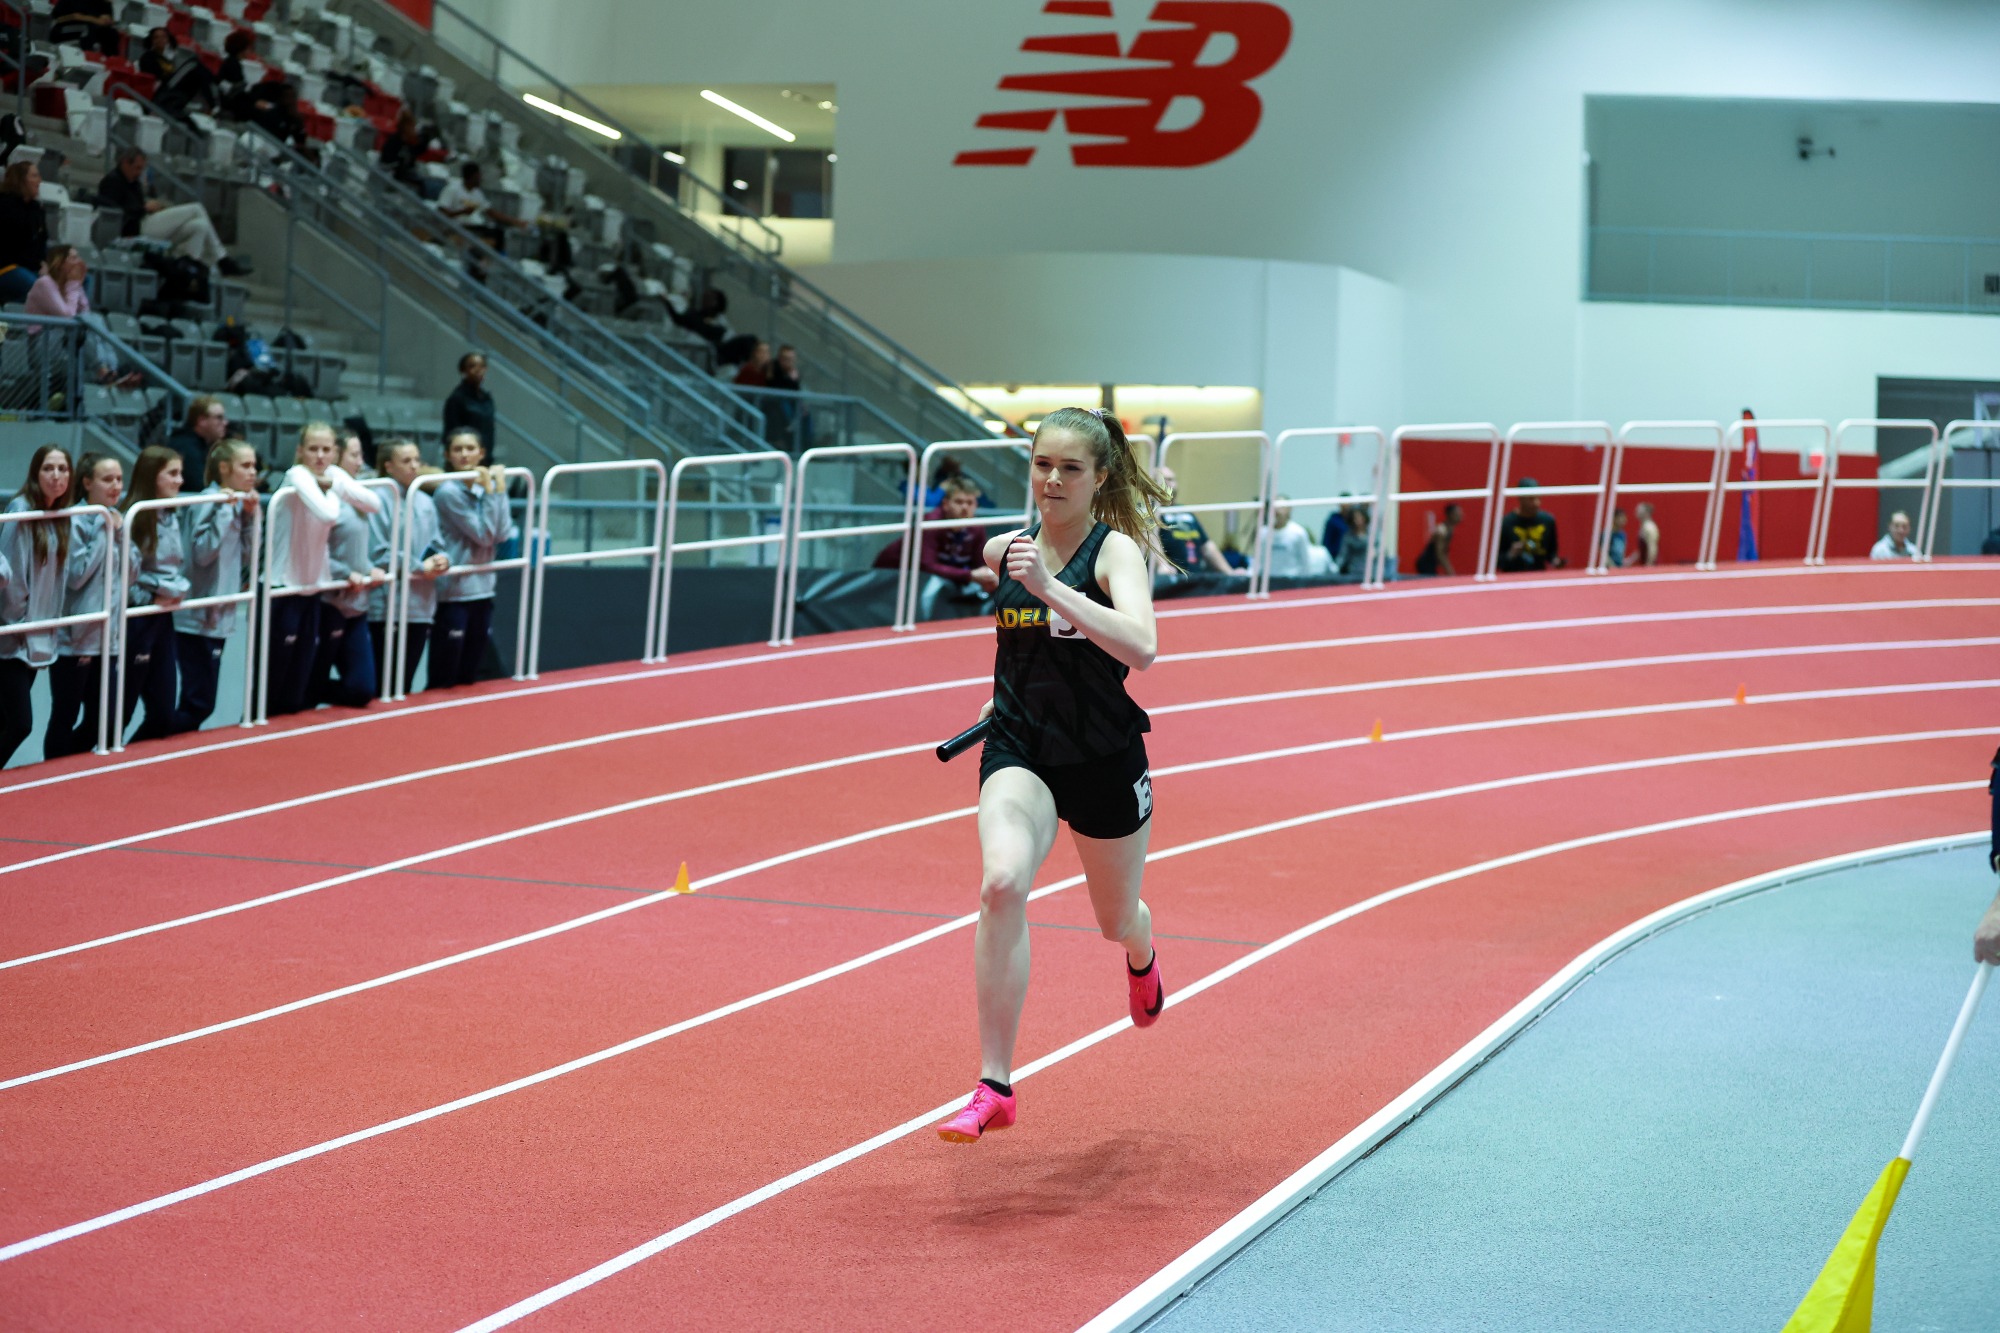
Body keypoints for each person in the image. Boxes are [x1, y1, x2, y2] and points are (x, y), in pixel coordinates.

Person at [935, 406, 1172, 1143]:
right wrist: (1009, 691)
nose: (1054, 480)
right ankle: (994, 1083)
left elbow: (1142, 646)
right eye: (1043, 465)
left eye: (1071, 468)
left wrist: (1050, 588)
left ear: (1099, 477)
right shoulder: (1006, 548)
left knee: (1115, 919)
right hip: (1021, 748)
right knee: (1001, 883)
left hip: (1103, 758)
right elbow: (1025, 646)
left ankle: (1141, 951)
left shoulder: (1114, 552)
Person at [267, 423, 382, 715]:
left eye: (326, 449)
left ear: (334, 452)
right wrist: (334, 489)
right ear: (300, 450)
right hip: (282, 587)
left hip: (312, 589)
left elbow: (374, 503)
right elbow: (328, 513)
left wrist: (335, 483)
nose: (320, 456)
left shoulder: (332, 475)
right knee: (273, 682)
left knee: (298, 684)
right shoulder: (297, 475)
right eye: (313, 449)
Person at [173, 440, 260, 730]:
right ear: (224, 468)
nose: (253, 472)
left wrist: (248, 516)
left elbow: (247, 555)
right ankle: (152, 746)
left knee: (201, 702)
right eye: (245, 466)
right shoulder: (209, 501)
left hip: (220, 614)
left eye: (254, 466)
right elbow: (202, 554)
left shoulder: (236, 503)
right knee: (198, 702)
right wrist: (224, 511)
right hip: (196, 617)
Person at [44, 452, 121, 758]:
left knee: (103, 720)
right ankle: (53, 774)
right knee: (65, 714)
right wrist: (104, 529)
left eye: (119, 479)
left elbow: (128, 574)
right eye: (107, 479)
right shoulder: (75, 519)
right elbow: (76, 576)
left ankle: (72, 770)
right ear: (87, 483)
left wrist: (119, 531)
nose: (116, 486)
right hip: (74, 639)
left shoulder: (115, 518)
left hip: (109, 636)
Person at [0, 446, 72, 766]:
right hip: (13, 636)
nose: (56, 476)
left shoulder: (60, 516)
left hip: (36, 636)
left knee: (5, 720)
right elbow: (11, 575)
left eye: (62, 469)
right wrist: (18, 625)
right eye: (48, 468)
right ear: (35, 473)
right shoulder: (21, 509)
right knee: (20, 724)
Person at [430, 429, 516, 689]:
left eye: (470, 448)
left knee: (470, 674)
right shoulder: (448, 492)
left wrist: (497, 491)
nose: (464, 454)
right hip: (455, 593)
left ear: (482, 453)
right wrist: (493, 492)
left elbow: (503, 533)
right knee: (445, 675)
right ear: (447, 455)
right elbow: (484, 535)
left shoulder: (484, 488)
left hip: (484, 589)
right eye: (458, 449)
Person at [119, 446, 192, 741]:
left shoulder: (171, 514)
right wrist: (150, 599)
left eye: (180, 473)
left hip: (163, 618)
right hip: (137, 621)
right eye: (172, 473)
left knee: (163, 714)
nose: (180, 481)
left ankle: (132, 759)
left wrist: (175, 591)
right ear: (152, 476)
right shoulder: (134, 517)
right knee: (118, 715)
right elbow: (122, 577)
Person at [367, 439, 449, 694]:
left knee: (404, 685)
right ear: (388, 466)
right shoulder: (376, 499)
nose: (414, 466)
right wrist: (418, 566)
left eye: (417, 460)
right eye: (406, 461)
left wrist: (442, 559)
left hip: (420, 606)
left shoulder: (425, 501)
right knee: (381, 686)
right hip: (387, 607)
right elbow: (378, 552)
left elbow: (437, 543)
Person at [309, 454, 387, 708]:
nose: (360, 461)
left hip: (357, 605)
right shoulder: (320, 499)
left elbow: (357, 549)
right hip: (328, 602)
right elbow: (313, 551)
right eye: (354, 455)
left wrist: (370, 569)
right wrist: (343, 572)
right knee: (307, 685)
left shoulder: (361, 499)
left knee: (362, 689)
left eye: (361, 454)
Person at [875, 475, 1002, 620]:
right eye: (959, 502)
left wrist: (989, 576)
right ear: (946, 504)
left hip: (930, 579)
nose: (964, 507)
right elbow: (928, 566)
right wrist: (970, 575)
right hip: (892, 575)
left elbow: (980, 565)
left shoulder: (976, 528)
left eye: (969, 503)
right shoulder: (931, 523)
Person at [95, 149, 241, 272]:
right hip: (136, 229)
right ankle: (222, 258)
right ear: (125, 163)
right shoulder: (112, 181)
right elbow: (114, 212)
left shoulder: (134, 182)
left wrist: (150, 207)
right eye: (137, 168)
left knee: (200, 226)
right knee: (196, 208)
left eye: (141, 169)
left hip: (145, 222)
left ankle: (189, 269)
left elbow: (135, 205)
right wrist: (144, 208)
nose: (139, 172)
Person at [25, 244, 130, 385]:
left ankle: (112, 370)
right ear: (60, 262)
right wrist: (74, 286)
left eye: (78, 257)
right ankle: (104, 372)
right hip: (42, 345)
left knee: (97, 320)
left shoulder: (72, 285)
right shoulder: (44, 284)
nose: (79, 261)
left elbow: (86, 313)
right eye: (73, 258)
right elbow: (67, 316)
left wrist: (74, 285)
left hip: (66, 343)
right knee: (83, 324)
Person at [1153, 465, 1232, 575]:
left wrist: (1230, 572)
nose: (1170, 484)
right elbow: (1148, 539)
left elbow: (1207, 545)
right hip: (1169, 577)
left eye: (1172, 479)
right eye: (1164, 479)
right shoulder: (1150, 511)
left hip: (1195, 576)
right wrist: (1163, 565)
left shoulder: (1186, 511)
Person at [437, 162, 526, 250]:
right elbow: (441, 213)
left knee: (498, 233)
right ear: (471, 177)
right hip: (453, 227)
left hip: (470, 227)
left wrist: (516, 222)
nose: (481, 179)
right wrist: (462, 212)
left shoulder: (477, 193)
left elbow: (492, 213)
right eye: (478, 176)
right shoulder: (452, 189)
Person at [138, 28, 217, 121]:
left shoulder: (173, 60)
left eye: (164, 37)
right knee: (195, 66)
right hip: (162, 94)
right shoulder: (148, 57)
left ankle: (213, 104)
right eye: (156, 37)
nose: (160, 40)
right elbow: (153, 79)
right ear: (151, 41)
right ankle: (214, 106)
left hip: (176, 94)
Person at [0, 160, 50, 305]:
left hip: (31, 267)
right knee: (38, 288)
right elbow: (10, 248)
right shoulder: (4, 206)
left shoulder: (37, 209)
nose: (39, 181)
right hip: (7, 267)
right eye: (34, 176)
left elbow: (41, 242)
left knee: (79, 279)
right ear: (21, 180)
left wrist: (45, 264)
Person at [1496, 478, 1561, 573]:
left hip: (1538, 575)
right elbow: (1496, 561)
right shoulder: (1506, 523)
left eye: (1538, 498)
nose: (1536, 503)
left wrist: (1556, 561)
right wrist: (1511, 554)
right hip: (1513, 575)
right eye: (1531, 498)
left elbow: (1551, 554)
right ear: (1520, 498)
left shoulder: (1547, 521)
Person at [443, 352, 497, 462]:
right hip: (465, 459)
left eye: (482, 366)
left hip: (485, 455)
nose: (478, 370)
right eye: (472, 366)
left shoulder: (486, 398)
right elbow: (452, 434)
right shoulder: (457, 398)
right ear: (463, 370)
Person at [165, 397, 231, 483]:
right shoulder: (185, 447)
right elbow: (200, 485)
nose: (225, 422)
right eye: (219, 418)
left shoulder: (207, 445)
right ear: (201, 420)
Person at [1258, 496, 1325, 578]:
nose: (1277, 510)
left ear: (1289, 509)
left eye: (1281, 507)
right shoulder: (1263, 533)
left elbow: (1305, 562)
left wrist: (1304, 581)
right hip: (1268, 579)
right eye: (1275, 507)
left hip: (1291, 579)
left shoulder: (1298, 532)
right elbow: (1258, 559)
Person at [49, 0, 120, 56]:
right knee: (89, 29)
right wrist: (93, 19)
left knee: (112, 33)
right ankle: (87, 57)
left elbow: (108, 20)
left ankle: (110, 62)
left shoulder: (104, 3)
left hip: (94, 30)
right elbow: (58, 18)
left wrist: (107, 20)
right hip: (65, 28)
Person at [763, 343, 802, 446]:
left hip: (790, 404)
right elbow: (775, 386)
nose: (788, 362)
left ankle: (805, 443)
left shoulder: (793, 373)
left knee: (804, 413)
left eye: (791, 359)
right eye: (786, 359)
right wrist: (791, 380)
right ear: (780, 358)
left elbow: (796, 392)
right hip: (772, 404)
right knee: (782, 409)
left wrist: (794, 380)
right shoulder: (772, 368)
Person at [1415, 502, 1463, 577]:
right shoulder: (1442, 531)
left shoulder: (1449, 529)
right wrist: (1449, 570)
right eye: (1457, 514)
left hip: (1431, 563)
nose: (1460, 516)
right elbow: (1439, 553)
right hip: (1426, 563)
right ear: (1450, 514)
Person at [1633, 502, 1660, 566]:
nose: (1636, 511)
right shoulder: (1643, 527)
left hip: (1651, 565)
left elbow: (1652, 548)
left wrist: (1649, 565)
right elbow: (1642, 550)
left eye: (1639, 510)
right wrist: (1629, 560)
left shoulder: (1649, 527)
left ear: (1646, 513)